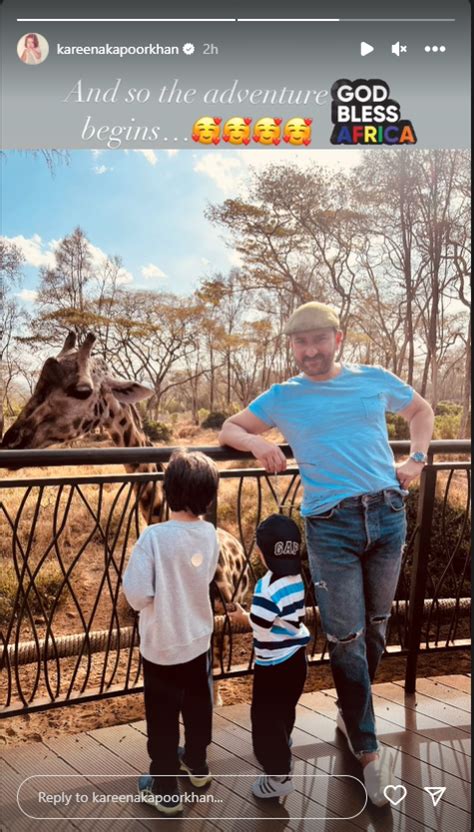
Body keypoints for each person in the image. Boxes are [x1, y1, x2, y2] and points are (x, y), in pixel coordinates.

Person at [219, 301, 434, 807]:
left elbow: (421, 410)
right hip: (330, 527)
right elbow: (229, 426)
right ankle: (368, 750)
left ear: (338, 339)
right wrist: (255, 443)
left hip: (387, 516)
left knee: (377, 626)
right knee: (345, 637)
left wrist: (418, 458)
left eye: (319, 340)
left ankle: (350, 708)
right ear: (292, 346)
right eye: (301, 342)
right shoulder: (284, 396)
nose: (310, 351)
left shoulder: (372, 378)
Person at [122, 449, 220, 815]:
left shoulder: (153, 538)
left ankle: (164, 787)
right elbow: (206, 576)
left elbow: (137, 595)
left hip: (162, 648)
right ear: (209, 498)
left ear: (167, 490)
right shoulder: (209, 534)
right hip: (198, 643)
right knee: (198, 708)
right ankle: (197, 765)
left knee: (162, 718)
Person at [230, 514, 310, 799]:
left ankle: (278, 776)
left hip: (273, 666)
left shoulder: (266, 587)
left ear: (262, 554)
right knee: (284, 710)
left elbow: (260, 623)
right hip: (297, 659)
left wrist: (243, 617)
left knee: (264, 719)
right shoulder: (297, 577)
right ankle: (282, 743)